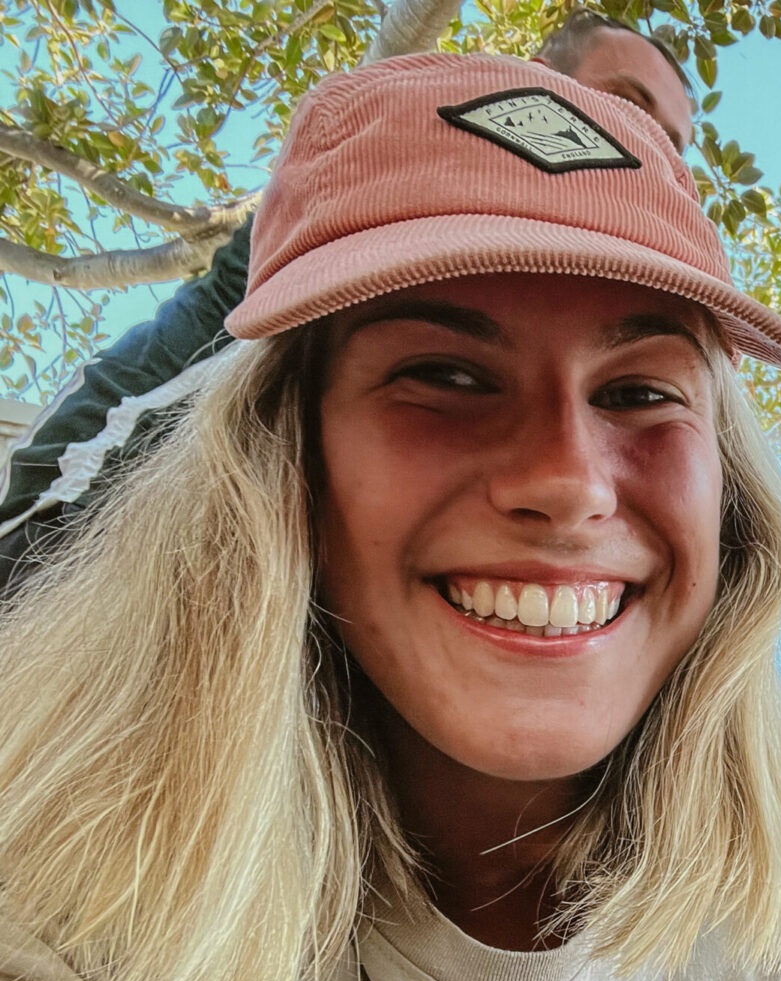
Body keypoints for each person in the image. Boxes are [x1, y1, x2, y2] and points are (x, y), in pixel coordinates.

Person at [0, 50, 781, 981]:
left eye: (641, 391)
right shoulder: (106, 779)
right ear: (286, 456)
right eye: (444, 374)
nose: (566, 480)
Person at [0, 8, 697, 592]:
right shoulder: (396, 169)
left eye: (677, 144)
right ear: (535, 87)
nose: (660, 154)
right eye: (632, 107)